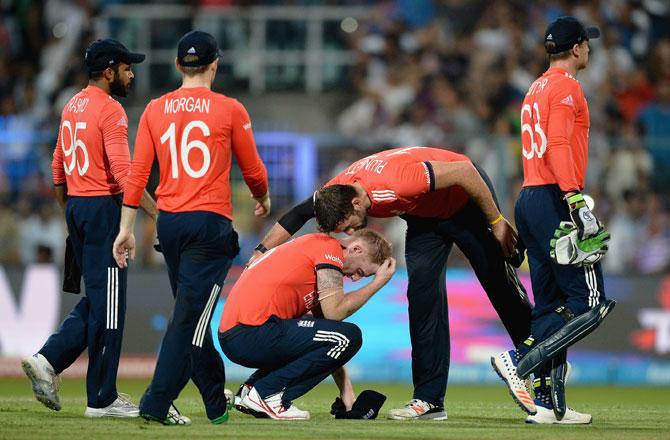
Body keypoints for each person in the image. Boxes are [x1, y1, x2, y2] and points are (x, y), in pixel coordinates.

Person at [251, 146, 532, 420]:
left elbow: (464, 170)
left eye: (348, 225)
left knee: (499, 286)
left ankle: (536, 369)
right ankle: (429, 400)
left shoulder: (396, 183)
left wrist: (495, 221)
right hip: (425, 217)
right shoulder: (337, 192)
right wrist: (260, 253)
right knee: (422, 301)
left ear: (356, 203)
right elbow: (297, 215)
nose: (351, 233)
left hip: (463, 202)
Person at [113, 30, 269, 426]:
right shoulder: (230, 109)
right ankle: (156, 401)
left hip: (170, 225)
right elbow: (252, 169)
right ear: (215, 63)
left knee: (191, 317)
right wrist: (263, 198)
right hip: (209, 223)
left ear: (179, 65)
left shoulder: (154, 109)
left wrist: (126, 228)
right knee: (189, 321)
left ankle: (216, 406)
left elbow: (137, 176)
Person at [21, 39, 157, 418]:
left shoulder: (72, 105)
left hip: (79, 205)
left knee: (100, 300)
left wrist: (72, 211)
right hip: (102, 208)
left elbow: (57, 165)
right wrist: (157, 213)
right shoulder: (110, 110)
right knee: (110, 306)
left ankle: (49, 360)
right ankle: (103, 398)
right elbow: (123, 172)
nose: (132, 74)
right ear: (109, 70)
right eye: (127, 67)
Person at [490, 16, 614, 425]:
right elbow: (559, 143)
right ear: (577, 48)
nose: (589, 50)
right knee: (588, 303)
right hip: (556, 198)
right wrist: (576, 200)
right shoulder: (565, 87)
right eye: (587, 44)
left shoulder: (535, 87)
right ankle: (520, 359)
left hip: (531, 196)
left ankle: (549, 405)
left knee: (552, 304)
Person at [219, 229, 395, 420]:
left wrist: (346, 392)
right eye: (361, 272)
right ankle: (267, 394)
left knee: (336, 336)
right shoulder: (329, 250)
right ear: (356, 250)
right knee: (350, 335)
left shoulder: (319, 254)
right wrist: (378, 283)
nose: (355, 279)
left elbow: (328, 334)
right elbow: (336, 315)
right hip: (250, 331)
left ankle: (251, 390)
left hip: (240, 334)